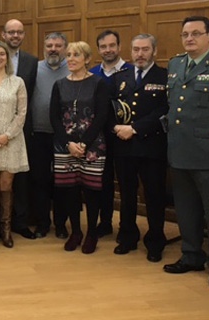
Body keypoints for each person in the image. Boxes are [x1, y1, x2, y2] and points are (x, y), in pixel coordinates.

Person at [163, 16, 209, 289]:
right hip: (179, 150)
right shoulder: (174, 64)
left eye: (196, 33)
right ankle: (191, 255)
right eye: (185, 34)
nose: (189, 39)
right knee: (186, 210)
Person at [0, 19, 38, 241]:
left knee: (8, 185)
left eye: (3, 55)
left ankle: (7, 229)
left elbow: (22, 111)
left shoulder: (18, 80)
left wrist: (7, 135)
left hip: (13, 139)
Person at [110, 34, 167, 262]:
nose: (140, 54)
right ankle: (127, 237)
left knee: (154, 196)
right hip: (123, 146)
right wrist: (116, 128)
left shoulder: (164, 76)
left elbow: (163, 110)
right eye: (136, 49)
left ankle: (155, 241)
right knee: (126, 195)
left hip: (151, 146)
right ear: (130, 51)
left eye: (145, 49)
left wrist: (134, 128)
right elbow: (110, 106)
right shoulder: (120, 77)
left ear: (154, 51)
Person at [49, 41, 109, 254]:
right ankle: (76, 231)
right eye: (69, 55)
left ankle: (91, 232)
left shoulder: (98, 83)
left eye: (76, 55)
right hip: (65, 146)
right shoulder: (59, 84)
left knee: (92, 191)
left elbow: (102, 116)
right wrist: (69, 144)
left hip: (92, 146)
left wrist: (83, 143)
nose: (71, 59)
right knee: (69, 192)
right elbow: (54, 117)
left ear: (87, 59)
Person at [89, 30, 133, 239]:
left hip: (126, 137)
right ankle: (105, 222)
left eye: (111, 45)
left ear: (119, 46)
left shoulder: (132, 71)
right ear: (98, 49)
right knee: (102, 182)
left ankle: (127, 228)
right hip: (99, 137)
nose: (108, 50)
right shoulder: (92, 72)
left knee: (126, 183)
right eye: (103, 46)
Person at [29, 33, 70, 239]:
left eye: (58, 45)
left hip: (64, 136)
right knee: (40, 180)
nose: (53, 49)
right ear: (44, 47)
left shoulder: (72, 68)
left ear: (65, 48)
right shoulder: (34, 68)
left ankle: (61, 224)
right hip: (38, 133)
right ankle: (42, 223)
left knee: (63, 181)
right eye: (49, 45)